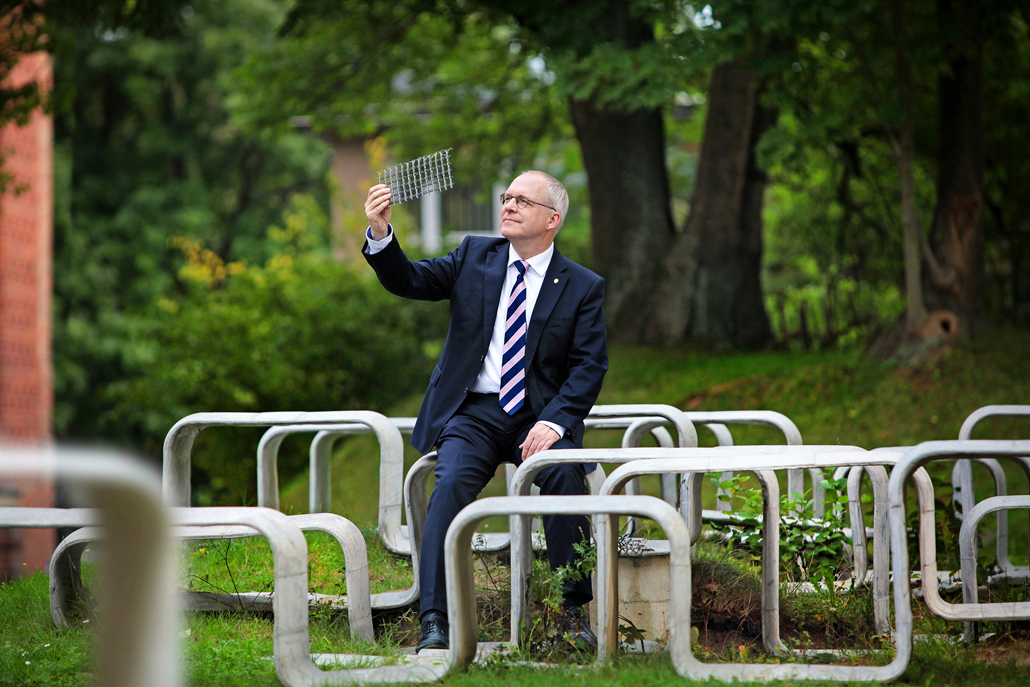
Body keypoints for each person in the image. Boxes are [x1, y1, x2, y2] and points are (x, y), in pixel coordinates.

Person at [362, 170, 608, 652]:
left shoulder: (583, 285)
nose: (509, 206)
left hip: (539, 415)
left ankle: (569, 612)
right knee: (449, 485)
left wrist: (554, 421)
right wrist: (379, 234)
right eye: (507, 197)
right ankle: (435, 617)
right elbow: (410, 279)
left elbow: (588, 366)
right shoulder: (476, 256)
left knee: (564, 477)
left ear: (552, 220)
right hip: (474, 412)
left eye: (523, 201)